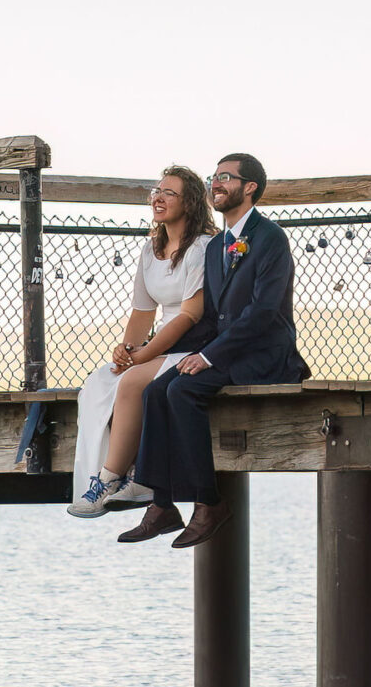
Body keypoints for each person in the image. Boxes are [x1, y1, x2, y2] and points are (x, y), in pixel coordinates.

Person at [119, 152, 310, 550]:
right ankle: (161, 505)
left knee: (182, 391)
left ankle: (208, 504)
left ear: (249, 187)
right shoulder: (217, 245)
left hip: (265, 354)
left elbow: (263, 312)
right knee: (155, 390)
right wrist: (166, 353)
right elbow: (209, 315)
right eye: (214, 177)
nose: (216, 184)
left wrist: (208, 357)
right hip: (224, 351)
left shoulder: (270, 238)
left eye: (226, 177)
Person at [68, 167, 217, 518]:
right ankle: (117, 470)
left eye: (169, 192)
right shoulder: (151, 250)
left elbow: (189, 314)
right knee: (102, 381)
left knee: (133, 382)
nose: (158, 198)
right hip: (157, 346)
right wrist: (126, 351)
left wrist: (144, 355)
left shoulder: (202, 248)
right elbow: (142, 312)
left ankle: (109, 478)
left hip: (191, 344)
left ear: (191, 202)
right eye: (156, 191)